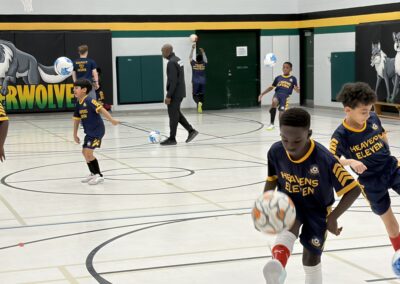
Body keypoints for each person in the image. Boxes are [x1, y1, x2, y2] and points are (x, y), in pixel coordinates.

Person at [263, 108, 361, 284]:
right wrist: (266, 203)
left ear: (308, 134)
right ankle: (277, 267)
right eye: (284, 139)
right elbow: (272, 179)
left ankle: (281, 266)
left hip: (317, 210)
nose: (290, 145)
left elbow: (354, 189)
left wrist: (333, 217)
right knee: (289, 228)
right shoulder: (276, 152)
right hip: (290, 202)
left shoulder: (325, 159)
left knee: (311, 259)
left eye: (297, 140)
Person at [330, 82, 400, 254]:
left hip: (390, 168)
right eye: (363, 111)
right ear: (347, 110)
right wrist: (351, 162)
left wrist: (387, 151)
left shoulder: (373, 118)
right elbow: (332, 160)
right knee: (388, 218)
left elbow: (382, 134)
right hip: (370, 182)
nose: (368, 115)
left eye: (370, 109)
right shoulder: (340, 136)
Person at [72, 79, 119, 185]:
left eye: (76, 88)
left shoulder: (89, 100)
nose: (74, 90)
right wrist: (74, 134)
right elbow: (76, 119)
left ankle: (99, 175)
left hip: (97, 131)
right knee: (84, 152)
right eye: (74, 88)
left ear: (84, 90)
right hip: (89, 133)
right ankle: (93, 173)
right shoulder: (78, 104)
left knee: (88, 153)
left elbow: (101, 109)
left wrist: (111, 120)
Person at [160, 43, 198, 146]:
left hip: (175, 93)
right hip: (180, 92)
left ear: (167, 51)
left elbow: (173, 81)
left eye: (162, 51)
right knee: (176, 114)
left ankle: (172, 139)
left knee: (173, 116)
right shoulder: (178, 59)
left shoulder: (171, 63)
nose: (162, 53)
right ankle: (191, 131)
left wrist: (168, 95)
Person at [258, 62, 299, 130]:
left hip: (285, 97)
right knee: (274, 101)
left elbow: (298, 91)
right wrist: (262, 94)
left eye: (287, 67)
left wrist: (297, 89)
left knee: (281, 115)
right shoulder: (278, 78)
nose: (285, 69)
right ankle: (271, 124)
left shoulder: (293, 78)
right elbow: (271, 87)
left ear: (290, 69)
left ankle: (282, 129)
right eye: (283, 67)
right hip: (277, 94)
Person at [189, 44, 208, 113]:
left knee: (194, 95)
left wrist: (192, 49)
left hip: (195, 82)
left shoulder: (193, 64)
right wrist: (203, 52)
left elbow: (190, 57)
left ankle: (198, 103)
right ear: (201, 59)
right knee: (202, 94)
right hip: (203, 82)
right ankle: (200, 103)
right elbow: (206, 59)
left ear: (196, 59)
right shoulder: (203, 64)